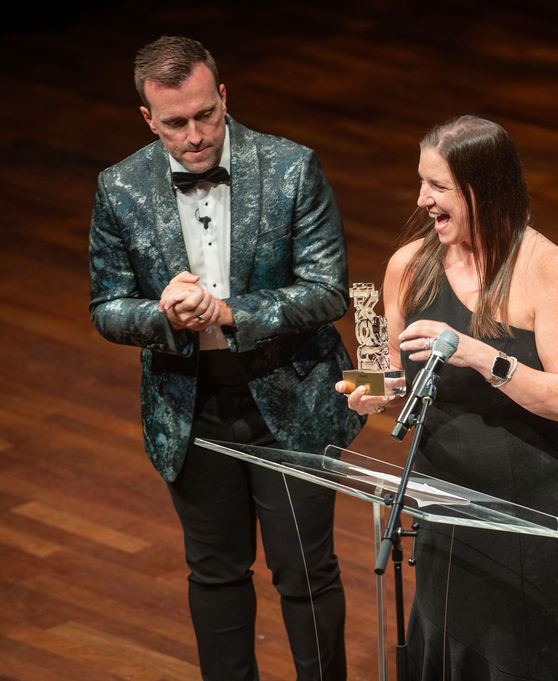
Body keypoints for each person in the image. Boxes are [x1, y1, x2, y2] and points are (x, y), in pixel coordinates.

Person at [89, 36, 363, 681]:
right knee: (215, 575)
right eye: (176, 123)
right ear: (148, 119)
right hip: (192, 405)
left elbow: (327, 290)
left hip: (289, 399)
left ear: (224, 96)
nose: (195, 136)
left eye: (206, 115)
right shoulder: (119, 188)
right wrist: (161, 315)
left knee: (304, 573)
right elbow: (106, 307)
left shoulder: (292, 167)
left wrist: (229, 311)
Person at [339, 115, 558, 681]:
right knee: (448, 646)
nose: (422, 198)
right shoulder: (408, 265)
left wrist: (482, 356)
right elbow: (388, 376)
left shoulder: (546, 268)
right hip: (441, 492)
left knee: (523, 656)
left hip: (531, 501)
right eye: (422, 182)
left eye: (438, 186)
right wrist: (367, 393)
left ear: (482, 189)